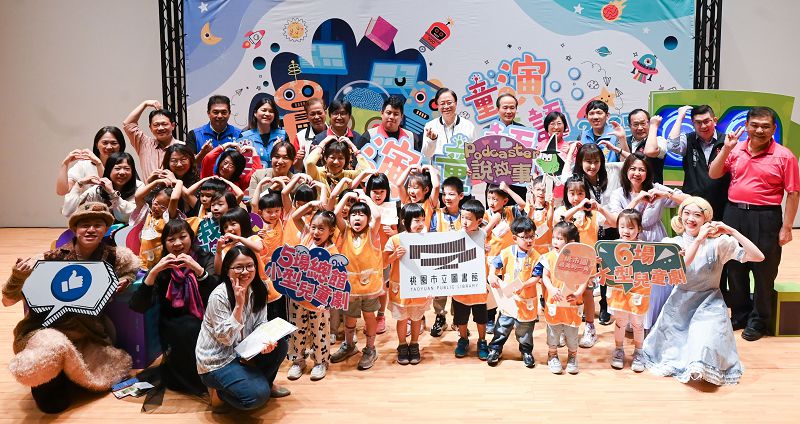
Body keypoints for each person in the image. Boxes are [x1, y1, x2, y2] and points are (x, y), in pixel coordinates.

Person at [2, 202, 140, 413]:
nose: (91, 229)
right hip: (47, 331)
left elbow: (132, 267)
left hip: (88, 334)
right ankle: (56, 371)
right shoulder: (51, 258)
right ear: (75, 229)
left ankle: (68, 373)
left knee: (114, 367)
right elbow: (8, 300)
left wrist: (126, 279)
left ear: (106, 229)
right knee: (52, 404)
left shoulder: (113, 256)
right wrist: (18, 276)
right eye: (85, 225)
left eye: (97, 225)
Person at [643, 197, 764, 385]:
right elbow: (680, 269)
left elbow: (758, 256)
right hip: (680, 304)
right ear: (680, 216)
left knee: (703, 342)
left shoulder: (718, 244)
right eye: (686, 213)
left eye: (697, 215)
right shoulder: (671, 243)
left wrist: (732, 231)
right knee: (674, 352)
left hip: (710, 303)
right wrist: (698, 240)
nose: (691, 218)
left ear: (706, 219)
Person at [709, 106, 800, 341]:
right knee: (734, 268)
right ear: (746, 126)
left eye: (765, 126)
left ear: (774, 128)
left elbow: (793, 193)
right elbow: (714, 174)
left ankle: (759, 320)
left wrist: (787, 227)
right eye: (755, 125)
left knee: (764, 271)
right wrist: (726, 149)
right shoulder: (735, 149)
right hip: (734, 214)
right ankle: (740, 314)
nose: (759, 130)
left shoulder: (785, 156)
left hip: (766, 217)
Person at [129, 219, 220, 395]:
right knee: (186, 329)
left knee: (194, 328)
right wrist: (153, 272)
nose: (177, 243)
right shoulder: (162, 264)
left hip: (207, 317)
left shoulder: (204, 257)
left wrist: (197, 269)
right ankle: (192, 380)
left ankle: (207, 377)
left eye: (182, 237)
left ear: (191, 237)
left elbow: (216, 294)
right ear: (164, 243)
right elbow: (138, 305)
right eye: (171, 239)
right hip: (172, 321)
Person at [196, 245, 290, 412]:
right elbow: (226, 339)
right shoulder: (219, 296)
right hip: (217, 360)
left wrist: (265, 342)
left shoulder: (259, 288)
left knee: (280, 345)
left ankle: (264, 383)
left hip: (243, 350)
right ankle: (218, 395)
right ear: (227, 270)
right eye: (238, 267)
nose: (245, 271)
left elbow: (260, 323)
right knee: (256, 397)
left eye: (250, 266)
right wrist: (239, 306)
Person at [607, 153, 688, 330]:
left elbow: (689, 201)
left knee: (656, 284)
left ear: (648, 172)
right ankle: (634, 321)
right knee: (633, 282)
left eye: (641, 170)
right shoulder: (618, 194)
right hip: (629, 244)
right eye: (633, 169)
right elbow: (616, 221)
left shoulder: (656, 188)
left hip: (654, 239)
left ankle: (656, 321)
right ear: (626, 171)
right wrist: (637, 199)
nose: (637, 173)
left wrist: (666, 194)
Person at [555, 174, 617, 342]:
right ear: (566, 194)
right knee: (566, 293)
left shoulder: (593, 215)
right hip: (566, 262)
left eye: (580, 193)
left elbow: (614, 222)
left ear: (586, 194)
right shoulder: (562, 211)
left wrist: (600, 209)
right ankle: (565, 326)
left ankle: (590, 328)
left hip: (586, 262)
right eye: (572, 193)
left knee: (588, 294)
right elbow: (559, 221)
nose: (576, 197)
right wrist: (578, 208)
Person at [330, 194, 384, 370]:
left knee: (369, 317)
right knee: (350, 317)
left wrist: (365, 197)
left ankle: (370, 349)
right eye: (354, 214)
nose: (357, 218)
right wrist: (347, 195)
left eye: (361, 214)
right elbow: (335, 214)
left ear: (367, 218)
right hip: (350, 288)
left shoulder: (372, 232)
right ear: (348, 218)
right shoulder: (345, 231)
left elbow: (377, 216)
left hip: (370, 288)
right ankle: (349, 345)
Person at [285, 206, 337, 381]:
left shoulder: (332, 251)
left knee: (319, 332)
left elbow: (335, 280)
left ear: (331, 231)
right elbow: (295, 217)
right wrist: (312, 205)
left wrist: (327, 300)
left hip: (319, 301)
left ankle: (320, 362)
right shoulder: (307, 236)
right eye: (313, 227)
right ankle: (298, 361)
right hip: (298, 296)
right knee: (296, 329)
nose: (316, 231)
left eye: (321, 228)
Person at [486, 216, 540, 368]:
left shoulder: (536, 256)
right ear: (515, 238)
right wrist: (492, 275)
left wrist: (524, 285)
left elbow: (536, 277)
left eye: (532, 236)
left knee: (525, 330)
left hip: (526, 300)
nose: (529, 240)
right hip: (508, 299)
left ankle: (526, 351)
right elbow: (494, 264)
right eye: (525, 237)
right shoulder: (507, 252)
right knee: (502, 326)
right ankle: (495, 349)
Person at [658, 105, 728, 220]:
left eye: (706, 121)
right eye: (698, 122)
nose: (703, 126)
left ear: (715, 121)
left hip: (721, 203)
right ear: (693, 124)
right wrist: (680, 117)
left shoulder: (726, 141)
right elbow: (671, 146)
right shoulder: (688, 140)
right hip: (692, 204)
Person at [383, 203, 431, 364]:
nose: (421, 224)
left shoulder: (427, 239)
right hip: (400, 288)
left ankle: (415, 344)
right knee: (402, 319)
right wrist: (394, 256)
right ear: (404, 221)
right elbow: (383, 263)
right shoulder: (395, 240)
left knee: (417, 318)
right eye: (417, 220)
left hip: (420, 287)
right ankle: (402, 345)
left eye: (422, 220)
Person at [538, 221, 587, 374]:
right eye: (554, 237)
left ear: (571, 242)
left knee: (572, 333)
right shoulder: (548, 257)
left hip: (572, 303)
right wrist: (551, 289)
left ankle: (572, 356)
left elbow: (584, 279)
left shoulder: (579, 258)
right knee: (553, 331)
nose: (555, 241)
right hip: (554, 303)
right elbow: (545, 276)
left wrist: (579, 293)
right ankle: (552, 355)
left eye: (559, 239)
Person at [484, 182, 528, 333]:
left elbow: (522, 204)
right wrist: (493, 221)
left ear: (505, 201)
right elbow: (482, 233)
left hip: (509, 259)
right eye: (489, 198)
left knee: (507, 289)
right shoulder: (486, 214)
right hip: (491, 259)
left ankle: (505, 317)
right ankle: (490, 318)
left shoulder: (511, 211)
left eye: (495, 199)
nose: (491, 202)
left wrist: (507, 189)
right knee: (492, 290)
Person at [607, 209, 647, 371]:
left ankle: (639, 352)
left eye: (631, 227)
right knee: (620, 322)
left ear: (639, 229)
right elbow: (606, 268)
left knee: (637, 323)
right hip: (619, 292)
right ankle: (618, 350)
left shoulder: (645, 248)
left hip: (639, 292)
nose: (626, 231)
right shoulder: (612, 246)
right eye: (622, 227)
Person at [428, 176, 466, 337]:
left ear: (461, 196)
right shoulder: (436, 214)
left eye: (451, 194)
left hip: (461, 261)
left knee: (458, 292)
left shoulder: (466, 215)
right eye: (444, 194)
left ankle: (457, 320)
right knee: (439, 291)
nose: (447, 198)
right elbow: (430, 235)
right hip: (440, 261)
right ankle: (440, 318)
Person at [453, 199, 490, 360]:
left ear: (479, 221)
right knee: (461, 317)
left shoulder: (483, 235)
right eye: (462, 217)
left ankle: (482, 341)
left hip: (478, 284)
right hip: (461, 285)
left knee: (481, 317)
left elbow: (485, 258)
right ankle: (463, 339)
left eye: (469, 219)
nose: (464, 222)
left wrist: (486, 250)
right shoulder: (456, 235)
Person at [62, 152, 143, 223]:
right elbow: (69, 213)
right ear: (109, 170)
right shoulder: (97, 190)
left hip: (129, 232)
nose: (122, 172)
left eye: (127, 169)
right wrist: (78, 184)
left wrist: (113, 194)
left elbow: (128, 217)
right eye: (117, 168)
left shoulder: (139, 187)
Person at [123, 99, 185, 181]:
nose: (160, 128)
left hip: (176, 188)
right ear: (150, 128)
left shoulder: (183, 146)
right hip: (149, 188)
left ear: (173, 126)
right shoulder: (144, 144)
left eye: (164, 124)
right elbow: (128, 124)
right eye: (156, 125)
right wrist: (145, 104)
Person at [56, 126, 126, 196]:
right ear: (97, 145)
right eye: (105, 143)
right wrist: (65, 164)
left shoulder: (125, 166)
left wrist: (98, 163)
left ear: (120, 145)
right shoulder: (83, 166)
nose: (109, 147)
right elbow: (62, 191)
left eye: (114, 143)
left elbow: (109, 191)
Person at [421, 87, 477, 161]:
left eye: (449, 103)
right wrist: (432, 140)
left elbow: (474, 153)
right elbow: (426, 154)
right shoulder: (430, 126)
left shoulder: (468, 126)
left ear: (456, 103)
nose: (446, 106)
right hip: (438, 168)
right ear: (437, 106)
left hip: (461, 168)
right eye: (442, 103)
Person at [238, 97, 288, 165]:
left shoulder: (283, 135)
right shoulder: (245, 137)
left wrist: (278, 150)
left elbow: (289, 161)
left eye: (271, 111)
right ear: (255, 113)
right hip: (254, 172)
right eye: (264, 110)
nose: (267, 114)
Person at [247, 141, 296, 208]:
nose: (280, 161)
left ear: (292, 161)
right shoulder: (258, 175)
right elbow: (252, 203)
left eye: (285, 158)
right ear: (271, 157)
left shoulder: (296, 181)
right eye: (277, 157)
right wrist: (272, 188)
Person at [627, 109, 667, 183]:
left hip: (652, 188)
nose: (640, 128)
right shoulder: (625, 141)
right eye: (636, 124)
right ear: (630, 126)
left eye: (643, 123)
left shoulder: (659, 141)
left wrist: (654, 126)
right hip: (628, 187)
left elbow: (650, 152)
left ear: (649, 123)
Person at [292, 98, 327, 170]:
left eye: (319, 113)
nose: (317, 117)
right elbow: (297, 168)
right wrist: (299, 159)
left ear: (325, 113)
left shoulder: (335, 133)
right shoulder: (300, 137)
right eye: (312, 114)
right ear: (307, 116)